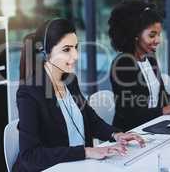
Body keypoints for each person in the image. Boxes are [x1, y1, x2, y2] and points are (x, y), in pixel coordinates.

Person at [13, 18, 145, 171]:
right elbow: (31, 155)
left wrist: (116, 135)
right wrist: (86, 152)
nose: (75, 55)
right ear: (45, 53)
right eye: (66, 49)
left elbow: (91, 119)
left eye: (75, 47)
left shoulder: (70, 81)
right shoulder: (29, 93)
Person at [108, 0, 170, 132]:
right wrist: (164, 110)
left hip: (153, 128)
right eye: (152, 35)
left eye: (159, 34)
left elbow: (162, 96)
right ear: (135, 35)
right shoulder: (123, 64)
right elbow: (130, 114)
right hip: (131, 133)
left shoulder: (150, 59)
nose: (158, 40)